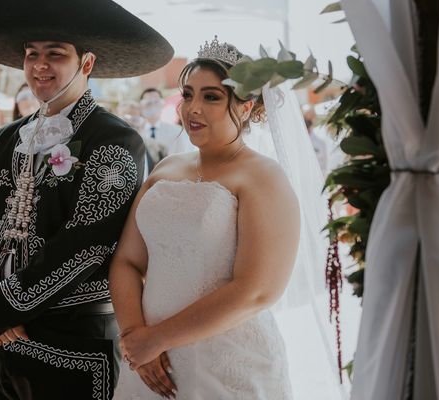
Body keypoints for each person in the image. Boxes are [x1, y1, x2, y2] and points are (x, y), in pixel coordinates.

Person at [0, 0, 172, 399]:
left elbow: (88, 243)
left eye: (55, 54)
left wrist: (4, 307)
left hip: (72, 341)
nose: (39, 65)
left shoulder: (116, 139)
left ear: (86, 64)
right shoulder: (7, 136)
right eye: (31, 54)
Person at [110, 40, 300, 399]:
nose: (193, 108)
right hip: (150, 364)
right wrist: (135, 336)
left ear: (245, 107)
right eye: (187, 94)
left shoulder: (262, 178)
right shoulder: (166, 169)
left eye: (211, 97)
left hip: (226, 364)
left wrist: (157, 338)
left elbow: (257, 291)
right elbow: (127, 261)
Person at [139, 88, 192, 167]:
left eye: (156, 102)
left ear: (162, 104)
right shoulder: (137, 133)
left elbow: (181, 158)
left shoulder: (177, 131)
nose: (152, 106)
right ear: (142, 106)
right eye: (148, 103)